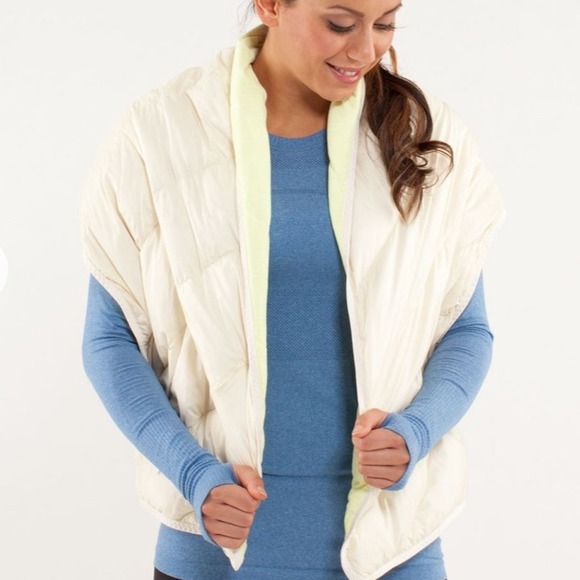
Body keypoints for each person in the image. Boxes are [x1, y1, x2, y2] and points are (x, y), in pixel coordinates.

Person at [81, 1, 505, 578]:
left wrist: (417, 429)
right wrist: (192, 473)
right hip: (215, 549)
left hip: (391, 547)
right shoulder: (159, 135)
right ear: (271, 5)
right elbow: (110, 340)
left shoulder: (423, 135)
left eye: (385, 23)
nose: (366, 50)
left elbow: (466, 327)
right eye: (340, 23)